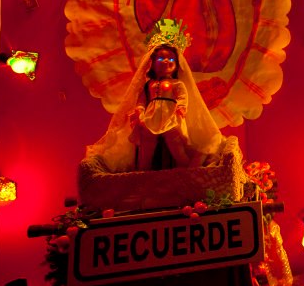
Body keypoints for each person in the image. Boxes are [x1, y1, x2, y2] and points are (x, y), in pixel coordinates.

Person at [86, 19, 223, 172]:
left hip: (170, 116)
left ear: (177, 64)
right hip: (150, 118)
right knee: (147, 142)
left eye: (171, 59)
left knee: (175, 143)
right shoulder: (148, 85)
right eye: (161, 58)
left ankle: (185, 166)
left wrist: (181, 106)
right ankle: (142, 169)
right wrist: (139, 109)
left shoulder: (177, 84)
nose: (166, 61)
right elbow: (142, 99)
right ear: (152, 63)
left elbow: (182, 96)